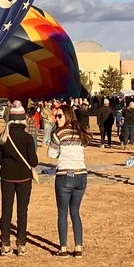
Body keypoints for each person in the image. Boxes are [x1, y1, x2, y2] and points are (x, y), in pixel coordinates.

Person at [48, 105, 91, 257]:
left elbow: (51, 154)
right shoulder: (79, 131)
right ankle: (78, 248)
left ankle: (63, 249)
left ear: (66, 115)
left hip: (65, 176)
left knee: (62, 213)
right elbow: (85, 144)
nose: (57, 119)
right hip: (81, 176)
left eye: (59, 116)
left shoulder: (58, 133)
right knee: (75, 212)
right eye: (56, 116)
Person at [0, 103, 38, 257]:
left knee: (6, 210)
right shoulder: (27, 137)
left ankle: (5, 243)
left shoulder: (3, 137)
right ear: (22, 119)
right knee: (22, 211)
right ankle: (21, 243)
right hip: (23, 178)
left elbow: (0, 160)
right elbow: (33, 161)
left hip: (6, 176)